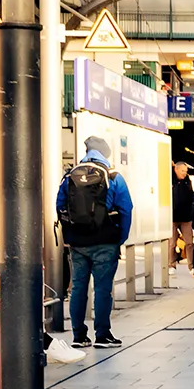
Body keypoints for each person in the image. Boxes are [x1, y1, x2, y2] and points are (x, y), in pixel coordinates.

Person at [57, 136, 133, 347]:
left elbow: (60, 205)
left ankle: (79, 336)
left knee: (78, 287)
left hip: (78, 242)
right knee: (102, 288)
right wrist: (120, 237)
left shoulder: (70, 176)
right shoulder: (113, 176)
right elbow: (126, 209)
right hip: (105, 240)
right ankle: (102, 335)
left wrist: (70, 233)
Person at [170, 161, 194, 269]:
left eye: (185, 171)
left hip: (186, 217)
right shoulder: (170, 180)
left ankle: (191, 266)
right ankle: (171, 265)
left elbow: (191, 196)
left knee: (189, 243)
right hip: (173, 217)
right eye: (182, 171)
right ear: (175, 170)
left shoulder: (187, 181)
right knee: (172, 243)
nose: (184, 173)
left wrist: (192, 210)